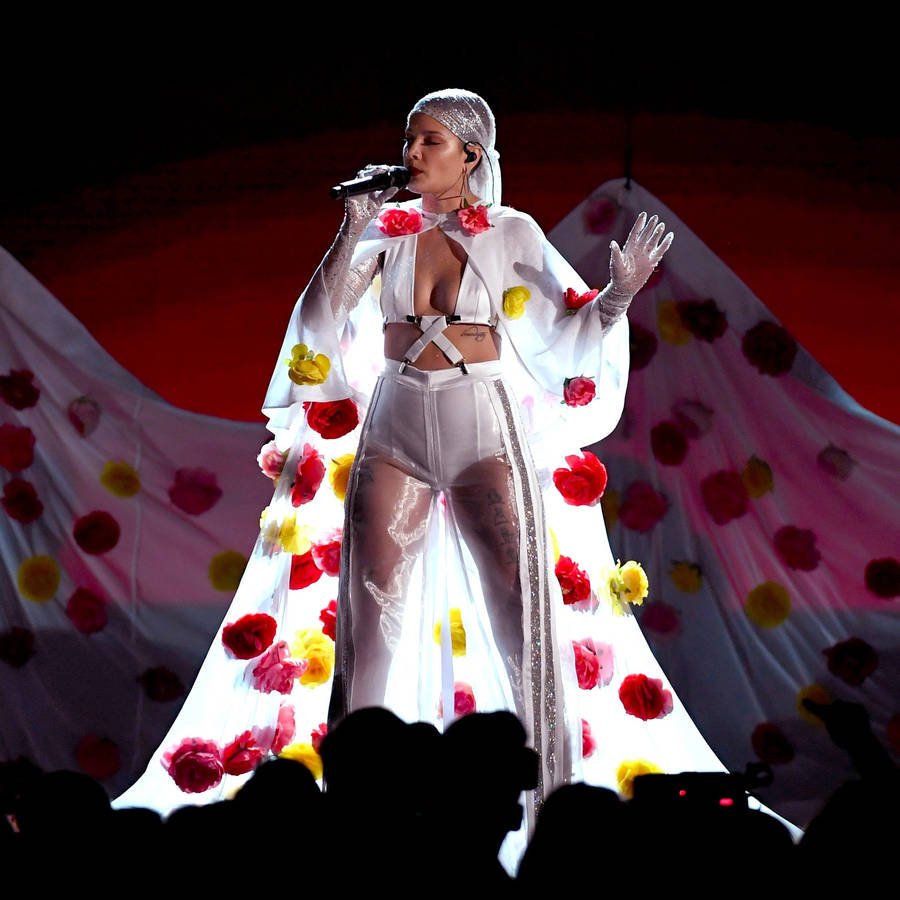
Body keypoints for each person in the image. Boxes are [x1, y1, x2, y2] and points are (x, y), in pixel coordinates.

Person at [118, 90, 731, 844]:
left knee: (523, 625)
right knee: (368, 628)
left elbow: (566, 336)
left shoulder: (511, 231)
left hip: (484, 429)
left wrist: (619, 295)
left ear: (471, 154)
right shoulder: (385, 229)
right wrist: (351, 229)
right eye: (410, 140)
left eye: (428, 141)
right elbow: (321, 316)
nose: (411, 155)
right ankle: (352, 818)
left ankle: (555, 820)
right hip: (396, 424)